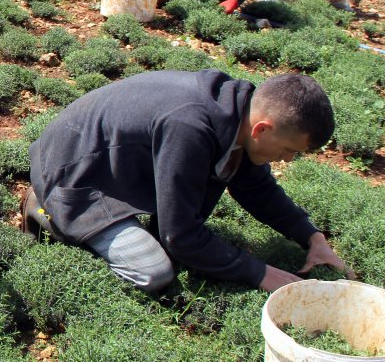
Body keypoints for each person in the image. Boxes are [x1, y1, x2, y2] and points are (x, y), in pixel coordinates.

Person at [22, 69, 353, 293]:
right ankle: (44, 208)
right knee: (152, 271)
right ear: (262, 129)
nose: (288, 160)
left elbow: (255, 187)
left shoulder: (236, 111)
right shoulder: (191, 127)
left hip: (108, 162)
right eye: (288, 150)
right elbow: (180, 236)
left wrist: (312, 237)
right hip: (72, 174)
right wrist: (262, 274)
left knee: (168, 238)